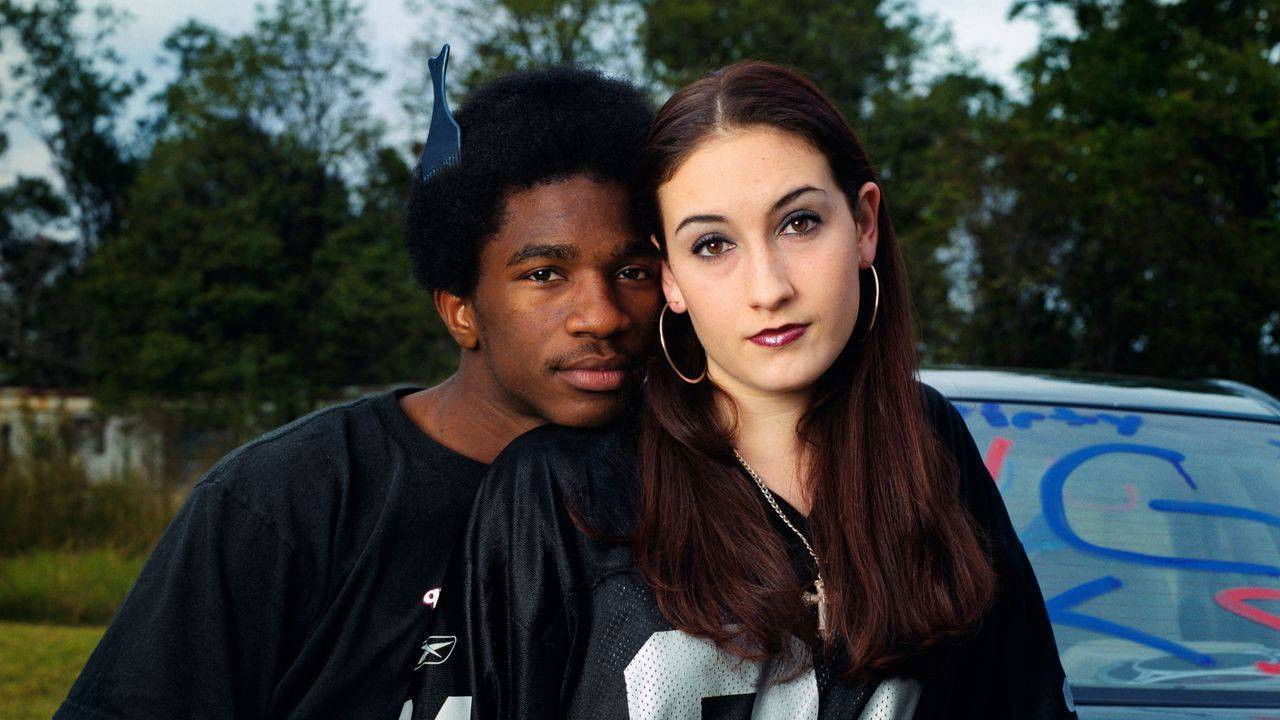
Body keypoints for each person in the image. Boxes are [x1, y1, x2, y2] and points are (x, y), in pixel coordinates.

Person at [408, 61, 1077, 719]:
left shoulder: (928, 444)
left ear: (864, 225)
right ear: (670, 276)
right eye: (712, 245)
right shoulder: (562, 490)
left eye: (799, 223)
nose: (768, 288)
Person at [54, 58, 662, 719]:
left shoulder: (700, 483)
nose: (602, 316)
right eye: (544, 274)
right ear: (460, 310)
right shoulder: (290, 499)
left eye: (633, 271)